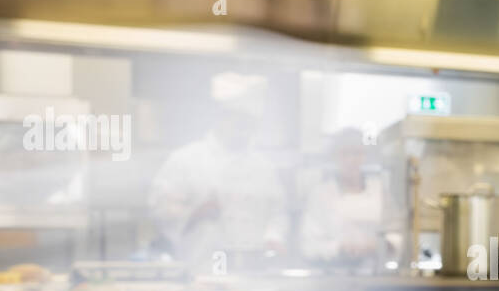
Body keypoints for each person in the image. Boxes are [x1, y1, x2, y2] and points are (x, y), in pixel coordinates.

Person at [148, 72, 288, 268]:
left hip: (254, 264)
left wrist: (273, 237)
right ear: (221, 117)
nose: (243, 127)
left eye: (249, 122)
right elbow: (160, 210)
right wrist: (195, 212)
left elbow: (278, 212)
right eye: (237, 119)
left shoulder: (263, 166)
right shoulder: (186, 159)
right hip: (204, 262)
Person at [299, 128, 385, 272]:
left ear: (365, 156)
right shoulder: (320, 194)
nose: (351, 160)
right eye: (345, 153)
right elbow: (309, 245)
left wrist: (379, 245)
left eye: (357, 153)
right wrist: (338, 247)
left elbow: (396, 233)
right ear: (335, 157)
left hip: (377, 276)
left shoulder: (379, 191)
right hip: (332, 275)